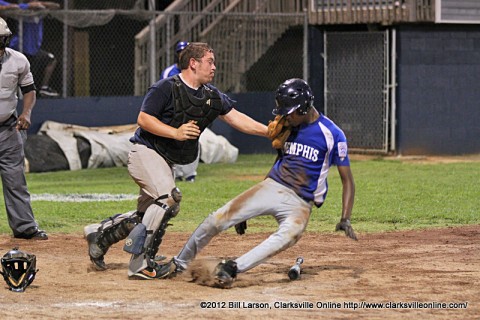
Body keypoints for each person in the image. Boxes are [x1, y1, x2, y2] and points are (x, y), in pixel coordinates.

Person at [84, 42, 268, 279]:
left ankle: (99, 237)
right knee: (167, 198)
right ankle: (139, 264)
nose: (214, 67)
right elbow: (143, 118)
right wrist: (176, 133)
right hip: (145, 152)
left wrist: (269, 132)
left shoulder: (210, 95)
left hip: (164, 160)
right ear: (193, 63)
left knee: (147, 214)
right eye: (210, 62)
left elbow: (236, 118)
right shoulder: (165, 87)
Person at [157, 78, 358, 288]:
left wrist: (345, 218)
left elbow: (348, 181)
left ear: (306, 106)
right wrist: (249, 208)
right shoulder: (287, 127)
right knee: (217, 219)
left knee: (288, 236)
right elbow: (280, 161)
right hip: (272, 186)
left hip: (300, 203)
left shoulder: (332, 134)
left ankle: (232, 268)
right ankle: (179, 264)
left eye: (290, 111)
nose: (285, 115)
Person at [0, 17, 48, 240]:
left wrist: (26, 113)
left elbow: (29, 90)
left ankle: (25, 228)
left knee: (15, 180)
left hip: (8, 129)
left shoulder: (18, 61)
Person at [2, 0, 61, 98]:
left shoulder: (40, 12)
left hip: (34, 50)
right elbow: (11, 7)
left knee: (50, 59)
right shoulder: (23, 10)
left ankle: (44, 88)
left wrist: (42, 4)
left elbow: (56, 6)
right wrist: (28, 6)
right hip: (20, 48)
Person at [160, 40, 199, 183]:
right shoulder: (169, 72)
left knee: (193, 138)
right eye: (180, 52)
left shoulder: (197, 73)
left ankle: (190, 174)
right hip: (173, 112)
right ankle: (173, 172)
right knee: (172, 140)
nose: (182, 54)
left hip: (191, 112)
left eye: (185, 51)